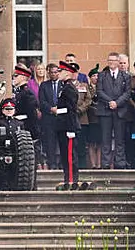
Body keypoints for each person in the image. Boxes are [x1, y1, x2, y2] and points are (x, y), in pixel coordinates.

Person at [97, 52, 132, 170]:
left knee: (120, 138)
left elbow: (127, 93)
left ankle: (120, 162)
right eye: (109, 60)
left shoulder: (125, 76)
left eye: (114, 60)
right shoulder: (102, 75)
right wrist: (110, 102)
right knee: (105, 138)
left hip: (120, 110)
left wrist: (117, 103)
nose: (111, 62)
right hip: (105, 110)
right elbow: (99, 91)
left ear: (118, 62)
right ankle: (105, 163)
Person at [54, 61, 81, 189]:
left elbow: (71, 110)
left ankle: (71, 179)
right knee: (65, 155)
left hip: (68, 126)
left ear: (68, 73)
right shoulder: (64, 87)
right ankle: (67, 179)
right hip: (62, 125)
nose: (59, 73)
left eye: (61, 71)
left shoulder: (69, 88)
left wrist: (71, 128)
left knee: (70, 155)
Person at [37, 62, 62, 169]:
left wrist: (59, 109)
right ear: (48, 73)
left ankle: (61, 163)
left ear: (58, 73)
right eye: (51, 73)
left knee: (62, 142)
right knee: (50, 142)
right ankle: (52, 163)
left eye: (56, 72)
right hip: (49, 118)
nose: (53, 74)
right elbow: (42, 101)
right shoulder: (44, 85)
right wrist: (51, 109)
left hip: (62, 118)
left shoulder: (63, 85)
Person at [12, 64, 39, 147]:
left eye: (16, 76)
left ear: (23, 77)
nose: (13, 78)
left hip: (25, 130)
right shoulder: (17, 92)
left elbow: (32, 115)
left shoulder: (27, 93)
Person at [72, 63, 93, 171]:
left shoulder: (83, 85)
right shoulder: (64, 85)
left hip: (82, 118)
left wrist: (80, 109)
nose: (73, 74)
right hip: (70, 119)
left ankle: (82, 165)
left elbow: (88, 100)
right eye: (71, 72)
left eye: (75, 72)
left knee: (81, 143)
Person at [85, 67, 102, 169]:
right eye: (94, 76)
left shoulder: (102, 88)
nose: (96, 78)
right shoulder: (87, 88)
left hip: (100, 118)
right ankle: (93, 164)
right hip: (90, 118)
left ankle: (99, 164)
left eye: (97, 76)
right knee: (91, 143)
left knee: (99, 143)